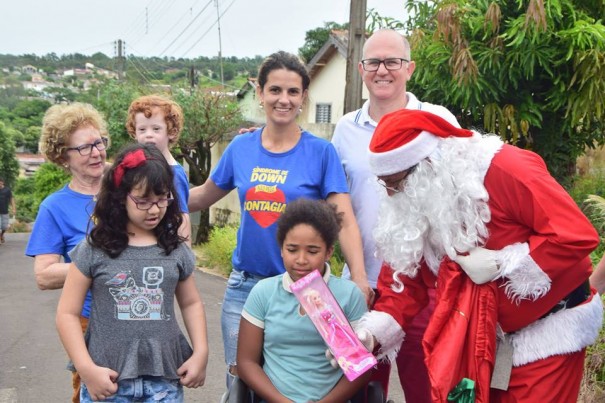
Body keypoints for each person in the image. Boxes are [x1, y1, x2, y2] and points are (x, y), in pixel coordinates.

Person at [356, 109, 603, 402]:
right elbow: (403, 284)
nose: (391, 193)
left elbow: (574, 234)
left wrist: (503, 263)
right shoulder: (416, 205)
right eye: (383, 183)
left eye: (395, 182)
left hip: (548, 332)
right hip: (480, 341)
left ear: (428, 166)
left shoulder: (506, 167)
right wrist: (368, 338)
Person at [187, 51, 371, 388]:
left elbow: (342, 216)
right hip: (247, 287)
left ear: (303, 97)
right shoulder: (241, 147)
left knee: (311, 382)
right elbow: (200, 196)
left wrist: (359, 278)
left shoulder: (321, 152)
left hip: (308, 290)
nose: (282, 99)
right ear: (259, 92)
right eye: (274, 90)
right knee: (242, 383)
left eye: (292, 92)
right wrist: (147, 193)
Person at [331, 29, 460, 401]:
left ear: (410, 68)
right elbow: (337, 203)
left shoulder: (436, 120)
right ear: (361, 68)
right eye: (373, 62)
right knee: (359, 392)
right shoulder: (345, 128)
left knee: (429, 389)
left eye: (393, 61)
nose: (382, 70)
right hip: (361, 286)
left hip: (425, 291)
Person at [56, 144, 209, 402]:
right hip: (108, 381)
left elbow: (191, 303)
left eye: (162, 199)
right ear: (119, 196)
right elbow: (67, 314)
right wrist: (86, 369)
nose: (154, 209)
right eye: (143, 200)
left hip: (164, 384)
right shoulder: (94, 249)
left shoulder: (175, 248)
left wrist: (201, 353)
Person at [237, 198, 370, 402]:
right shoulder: (263, 293)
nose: (301, 260)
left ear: (329, 252)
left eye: (312, 251)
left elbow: (359, 368)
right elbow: (246, 362)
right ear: (281, 249)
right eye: (292, 250)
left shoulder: (348, 295)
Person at [25, 102, 109, 403]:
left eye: (99, 142)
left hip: (142, 314)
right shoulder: (54, 207)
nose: (97, 152)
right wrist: (98, 264)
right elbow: (44, 275)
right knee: (93, 393)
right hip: (89, 322)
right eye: (85, 147)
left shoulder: (129, 187)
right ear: (62, 156)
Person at [126, 94, 192, 246]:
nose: (148, 135)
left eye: (156, 129)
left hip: (164, 246)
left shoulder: (174, 173)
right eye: (142, 129)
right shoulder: (136, 169)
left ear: (171, 132)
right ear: (134, 132)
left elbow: (182, 217)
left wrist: (185, 258)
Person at [0, 177, 16, 244]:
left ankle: (1, 235)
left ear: (2, 182)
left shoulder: (7, 190)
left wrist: (14, 208)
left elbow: (11, 199)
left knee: (4, 226)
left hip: (5, 211)